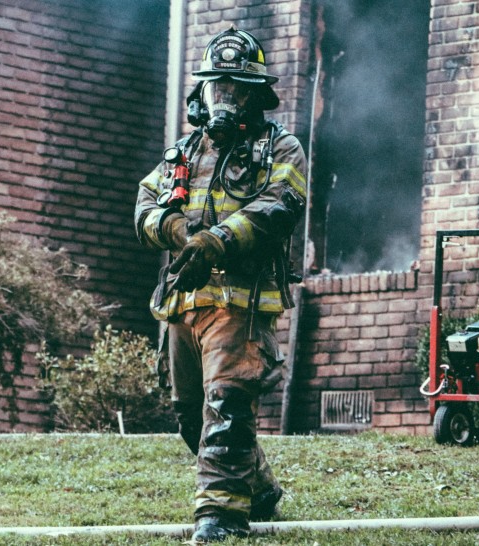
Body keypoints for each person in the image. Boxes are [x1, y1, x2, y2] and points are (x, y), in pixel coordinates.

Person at [134, 26, 308, 543]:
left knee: (227, 406)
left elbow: (280, 206)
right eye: (216, 88)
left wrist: (216, 242)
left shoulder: (281, 148)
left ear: (256, 94)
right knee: (193, 418)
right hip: (183, 306)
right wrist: (172, 228)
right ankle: (261, 490)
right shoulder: (182, 154)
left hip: (241, 305)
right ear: (201, 94)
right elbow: (144, 207)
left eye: (235, 89)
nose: (224, 99)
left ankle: (221, 519)